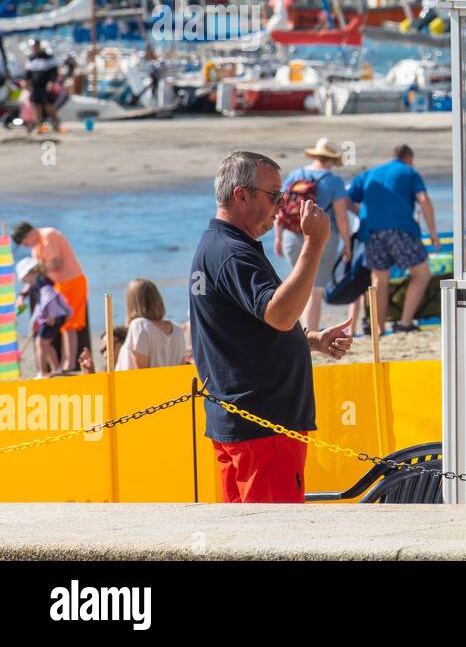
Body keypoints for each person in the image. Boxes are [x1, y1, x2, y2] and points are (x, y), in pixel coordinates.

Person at [190, 150, 353, 503]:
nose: (281, 205)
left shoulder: (218, 245)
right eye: (274, 195)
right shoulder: (232, 252)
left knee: (247, 529)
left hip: (242, 421)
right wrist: (314, 243)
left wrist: (312, 340)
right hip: (262, 425)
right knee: (274, 529)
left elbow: (246, 326)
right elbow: (279, 314)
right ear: (241, 195)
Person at [348, 144, 439, 334]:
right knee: (421, 274)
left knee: (380, 280)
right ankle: (404, 323)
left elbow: (346, 199)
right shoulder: (409, 172)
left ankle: (379, 328)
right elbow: (423, 200)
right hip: (401, 230)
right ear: (409, 159)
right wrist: (433, 233)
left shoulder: (369, 173)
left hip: (373, 232)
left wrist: (361, 215)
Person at [274, 138, 351, 333]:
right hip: (323, 239)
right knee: (315, 290)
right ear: (332, 159)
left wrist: (278, 238)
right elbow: (342, 218)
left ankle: (294, 331)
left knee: (298, 285)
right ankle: (311, 335)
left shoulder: (295, 175)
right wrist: (348, 244)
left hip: (292, 236)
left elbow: (280, 208)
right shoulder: (334, 182)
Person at [11, 221, 87, 373]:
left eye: (25, 242)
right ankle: (63, 364)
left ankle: (69, 364)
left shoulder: (48, 235)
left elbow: (55, 262)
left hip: (72, 281)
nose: (25, 246)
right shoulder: (35, 249)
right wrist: (22, 295)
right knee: (62, 326)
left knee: (70, 324)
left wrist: (36, 269)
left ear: (30, 233)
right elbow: (36, 277)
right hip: (57, 286)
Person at [114, 279, 189, 371]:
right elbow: (181, 368)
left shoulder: (139, 326)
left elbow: (142, 373)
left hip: (136, 381)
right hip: (171, 380)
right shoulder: (177, 330)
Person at [16, 257, 72, 378]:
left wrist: (45, 318)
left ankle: (41, 372)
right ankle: (56, 369)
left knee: (40, 342)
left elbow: (49, 301)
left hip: (52, 317)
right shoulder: (38, 283)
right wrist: (35, 322)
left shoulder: (41, 284)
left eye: (24, 278)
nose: (23, 281)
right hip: (53, 317)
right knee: (46, 343)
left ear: (31, 272)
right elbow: (40, 305)